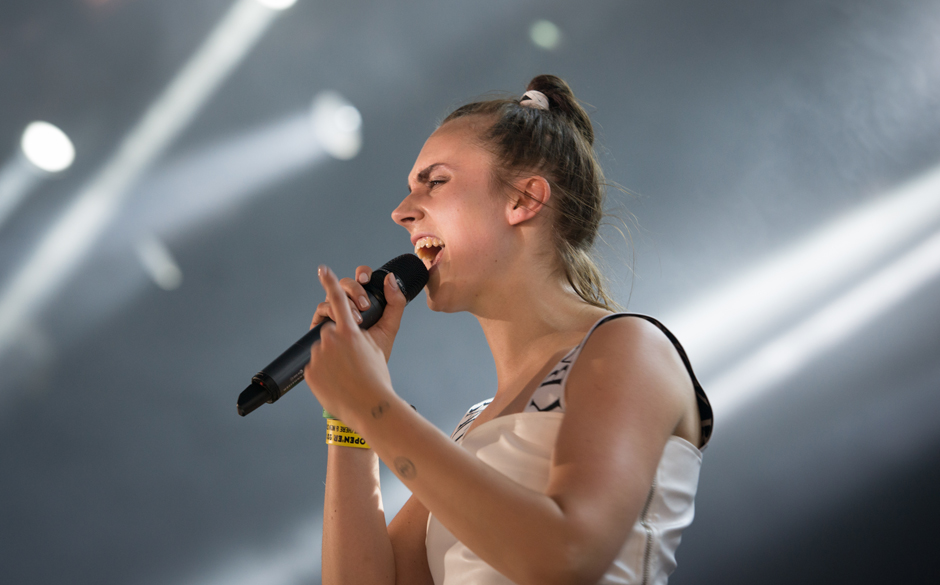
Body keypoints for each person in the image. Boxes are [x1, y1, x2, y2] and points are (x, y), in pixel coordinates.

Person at [304, 74, 713, 585]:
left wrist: (373, 404)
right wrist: (349, 422)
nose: (402, 211)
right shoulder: (473, 427)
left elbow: (566, 553)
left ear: (524, 199)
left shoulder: (630, 346)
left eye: (435, 181)